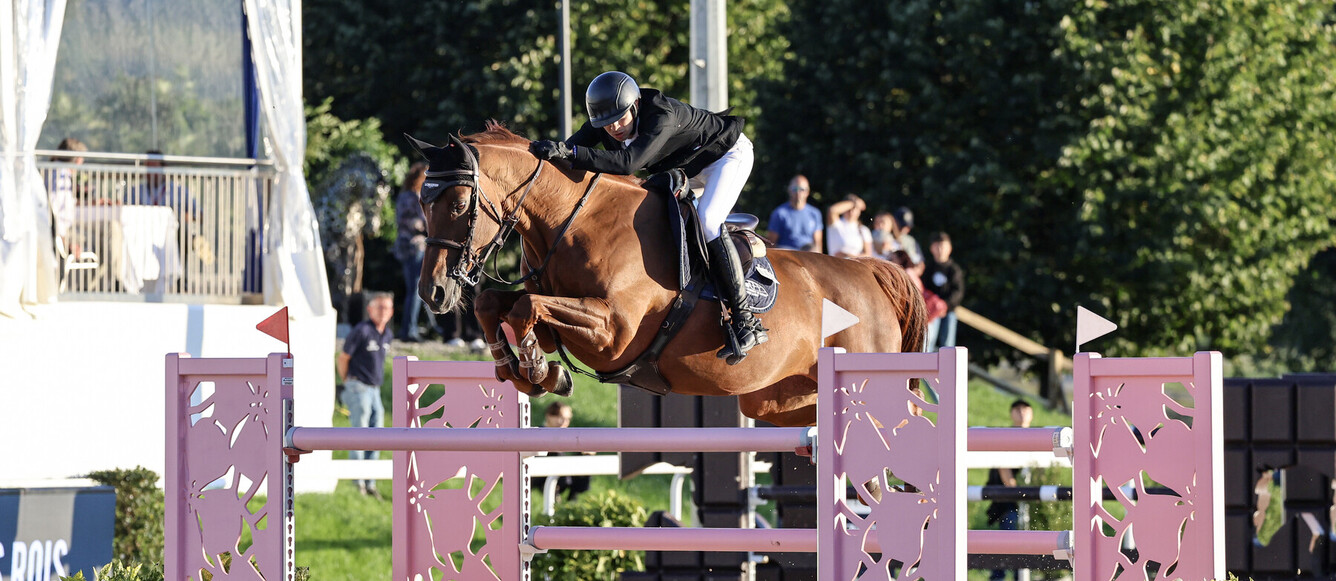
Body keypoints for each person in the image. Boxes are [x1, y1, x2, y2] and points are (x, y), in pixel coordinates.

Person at [528, 70, 766, 364]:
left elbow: (627, 163)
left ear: (636, 105)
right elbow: (568, 149)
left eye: (620, 119)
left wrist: (570, 152)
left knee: (708, 221)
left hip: (725, 157)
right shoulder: (606, 121)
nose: (614, 128)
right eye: (606, 124)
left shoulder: (661, 116)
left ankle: (745, 320)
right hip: (687, 170)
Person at [335, 291, 394, 497]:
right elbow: (343, 358)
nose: (383, 311)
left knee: (377, 435)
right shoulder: (361, 331)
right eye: (379, 307)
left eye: (387, 308)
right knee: (359, 434)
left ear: (392, 312)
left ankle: (370, 482)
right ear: (370, 310)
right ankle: (357, 481)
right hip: (358, 385)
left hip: (375, 389)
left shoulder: (387, 334)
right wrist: (348, 382)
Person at [986, 399, 1034, 581]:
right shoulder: (1006, 436)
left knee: (1024, 543)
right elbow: (1003, 467)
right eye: (1017, 409)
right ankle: (999, 577)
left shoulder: (1037, 436)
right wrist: (1016, 491)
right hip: (1008, 499)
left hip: (1029, 497)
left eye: (1025, 409)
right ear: (1011, 414)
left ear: (1031, 413)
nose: (1021, 413)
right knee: (1008, 540)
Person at [392, 162, 433, 342]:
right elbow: (418, 222)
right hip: (414, 246)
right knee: (415, 289)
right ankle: (410, 330)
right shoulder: (415, 197)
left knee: (413, 289)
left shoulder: (403, 196)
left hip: (404, 246)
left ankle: (408, 329)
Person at [532, 401, 591, 502]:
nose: (564, 422)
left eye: (567, 419)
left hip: (560, 474)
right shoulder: (538, 432)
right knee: (555, 453)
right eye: (560, 417)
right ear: (549, 416)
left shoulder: (565, 436)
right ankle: (557, 494)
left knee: (585, 455)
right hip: (537, 472)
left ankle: (573, 498)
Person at [922, 232, 965, 351]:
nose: (940, 250)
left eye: (943, 246)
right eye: (937, 246)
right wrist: (933, 304)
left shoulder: (954, 269)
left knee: (948, 344)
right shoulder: (928, 268)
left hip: (948, 311)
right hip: (931, 311)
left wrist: (945, 305)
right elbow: (924, 288)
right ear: (932, 248)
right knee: (928, 342)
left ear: (949, 248)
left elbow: (958, 291)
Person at [47, 138, 87, 260]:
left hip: (63, 230)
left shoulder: (54, 171)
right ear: (78, 160)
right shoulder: (59, 175)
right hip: (63, 233)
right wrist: (63, 238)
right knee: (111, 231)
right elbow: (54, 210)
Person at [765, 174, 823, 251]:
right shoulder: (779, 213)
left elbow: (818, 244)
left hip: (808, 255)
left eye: (802, 189)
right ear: (789, 190)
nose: (798, 193)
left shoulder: (815, 213)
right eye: (795, 189)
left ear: (808, 192)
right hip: (786, 254)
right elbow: (771, 244)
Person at [825, 194, 873, 258]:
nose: (851, 212)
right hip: (833, 263)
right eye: (848, 209)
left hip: (854, 263)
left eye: (855, 209)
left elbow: (868, 255)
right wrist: (854, 203)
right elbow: (832, 210)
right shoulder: (836, 224)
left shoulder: (863, 229)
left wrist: (849, 256)